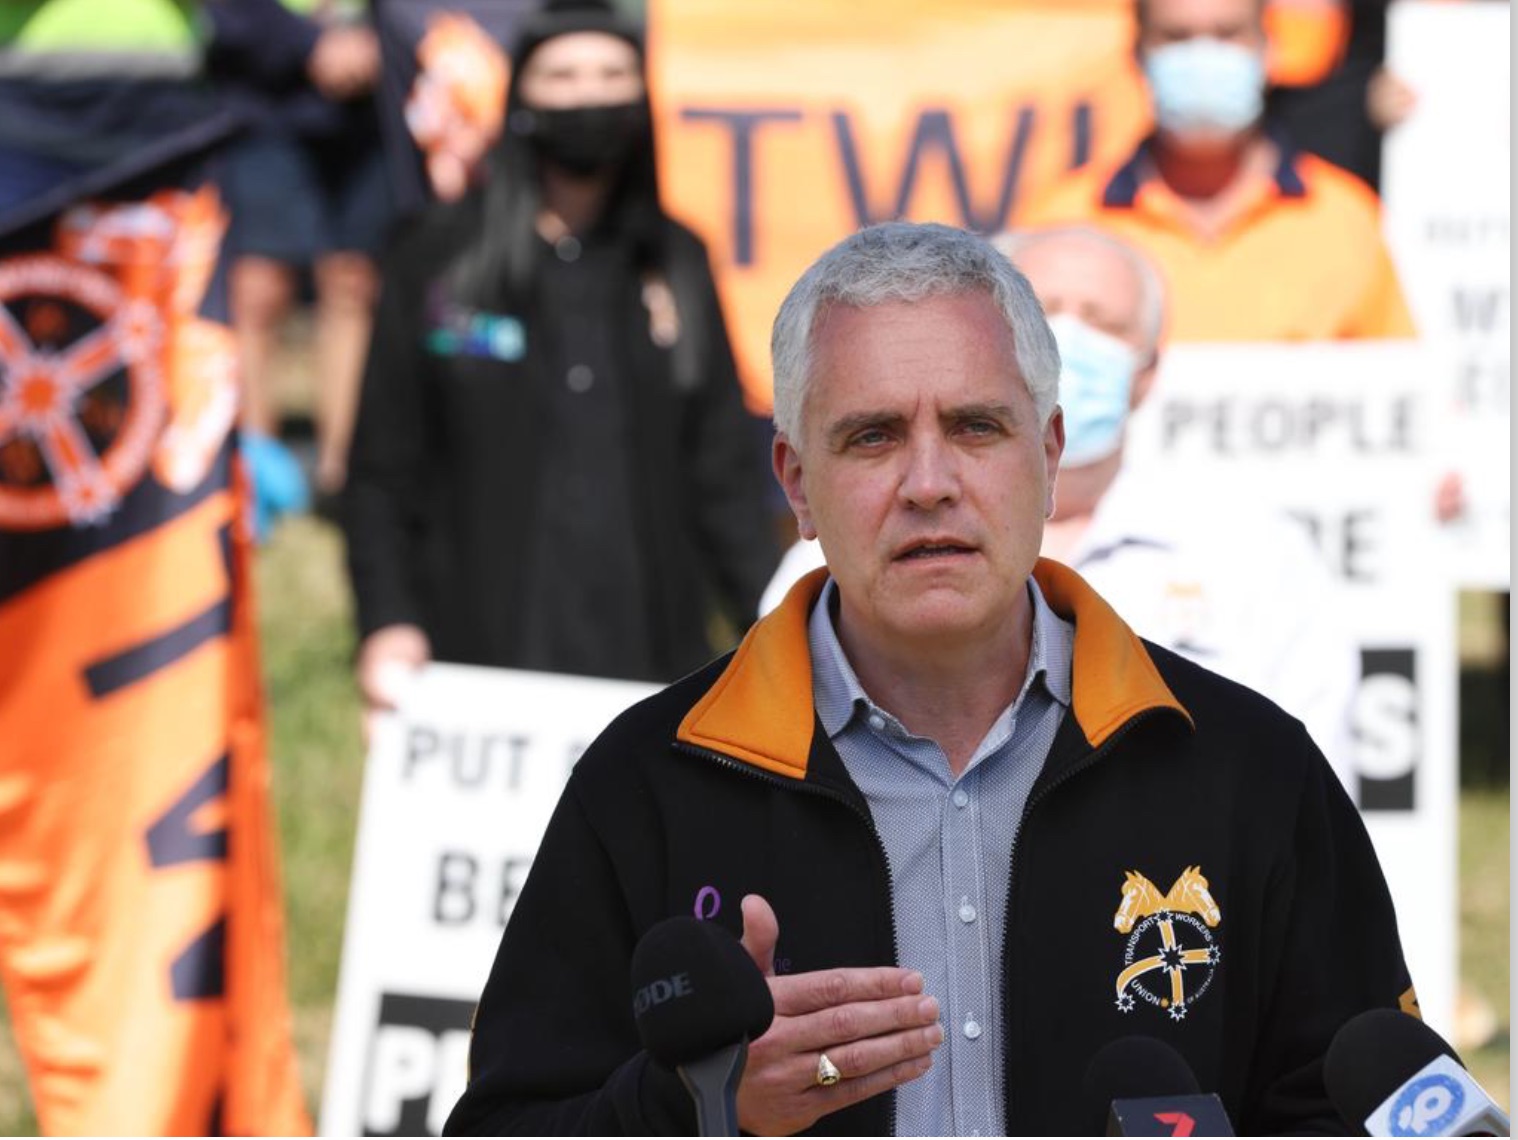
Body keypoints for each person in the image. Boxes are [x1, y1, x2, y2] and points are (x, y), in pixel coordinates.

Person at [444, 222, 1415, 1136]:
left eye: (976, 427)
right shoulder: (649, 782)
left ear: (1049, 456)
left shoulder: (1248, 769)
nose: (929, 484)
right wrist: (698, 1108)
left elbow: (1357, 1104)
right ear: (795, 483)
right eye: (872, 436)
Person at [762, 223, 1361, 788]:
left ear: (1149, 369)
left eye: (1103, 323)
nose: (1069, 342)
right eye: (1047, 310)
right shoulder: (824, 572)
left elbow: (1299, 783)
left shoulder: (1254, 554)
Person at [344, 0, 778, 711]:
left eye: (611, 76)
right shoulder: (437, 259)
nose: (589, 97)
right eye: (564, 76)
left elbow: (722, 472)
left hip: (647, 668)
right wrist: (387, 622)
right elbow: (382, 472)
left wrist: (780, 634)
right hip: (479, 665)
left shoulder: (677, 260)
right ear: (522, 98)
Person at [1024, 0, 1415, 342]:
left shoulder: (1347, 217)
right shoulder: (1060, 223)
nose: (1203, 57)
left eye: (1228, 34)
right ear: (1136, 56)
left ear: (1270, 49)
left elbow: (1399, 375)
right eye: (1176, 37)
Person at [211, 0, 390, 508]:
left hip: (371, 102)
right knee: (257, 288)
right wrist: (308, 44)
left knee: (355, 283)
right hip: (262, 95)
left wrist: (380, 41)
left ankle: (345, 475)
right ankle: (250, 482)